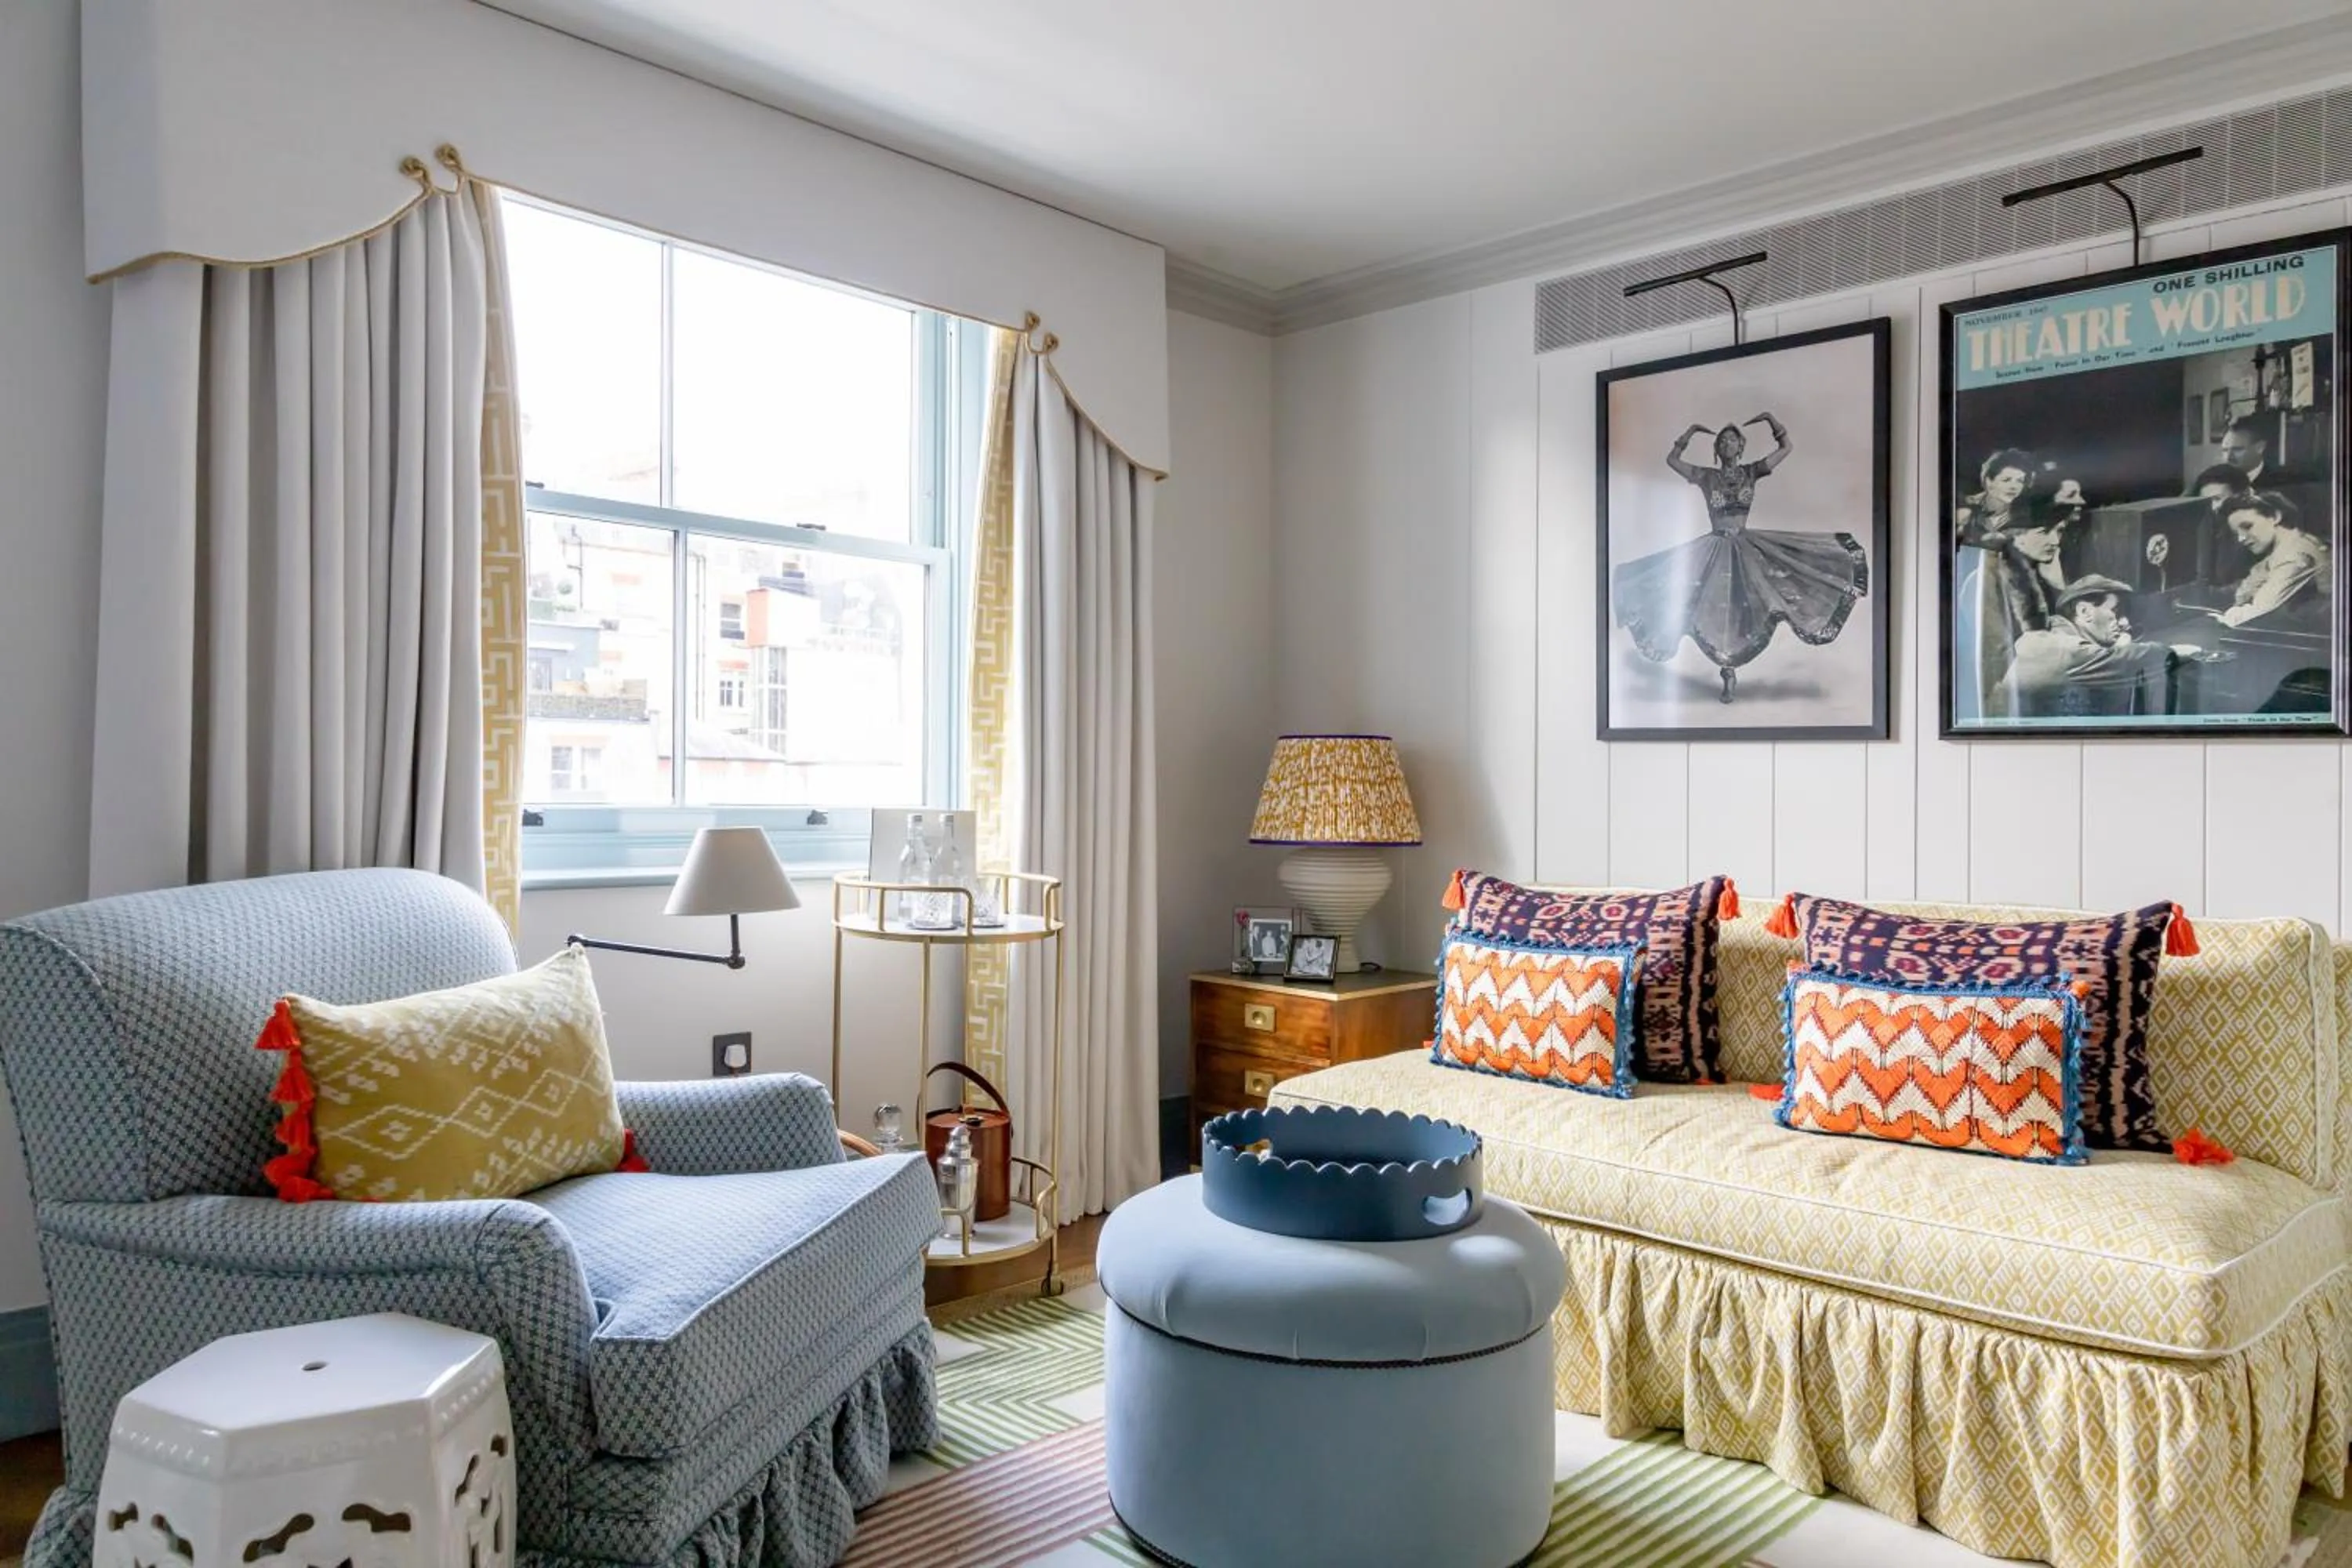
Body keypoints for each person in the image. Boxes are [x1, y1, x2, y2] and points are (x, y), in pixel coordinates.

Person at [1611, 411, 1867, 704]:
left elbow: (1786, 450)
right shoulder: (1706, 476)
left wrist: (1772, 421)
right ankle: (1728, 671)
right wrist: (1690, 432)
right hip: (1715, 547)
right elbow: (1672, 462)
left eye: (1733, 440)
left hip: (1746, 545)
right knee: (1714, 605)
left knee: (1750, 603)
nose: (1728, 443)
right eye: (1723, 441)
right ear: (1718, 449)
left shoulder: (1751, 472)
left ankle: (1731, 665)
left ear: (1741, 446)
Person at [2004, 574, 2176, 717]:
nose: (2125, 623)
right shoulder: (2061, 648)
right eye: (2115, 611)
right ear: (2085, 612)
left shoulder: (2055, 639)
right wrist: (2173, 652)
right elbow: (2123, 662)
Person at [2217, 490, 2331, 626]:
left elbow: (2261, 608)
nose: (2241, 538)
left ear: (2275, 517)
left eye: (2247, 527)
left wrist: (2232, 615)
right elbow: (2246, 589)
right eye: (2237, 533)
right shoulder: (2286, 546)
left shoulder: (2297, 554)